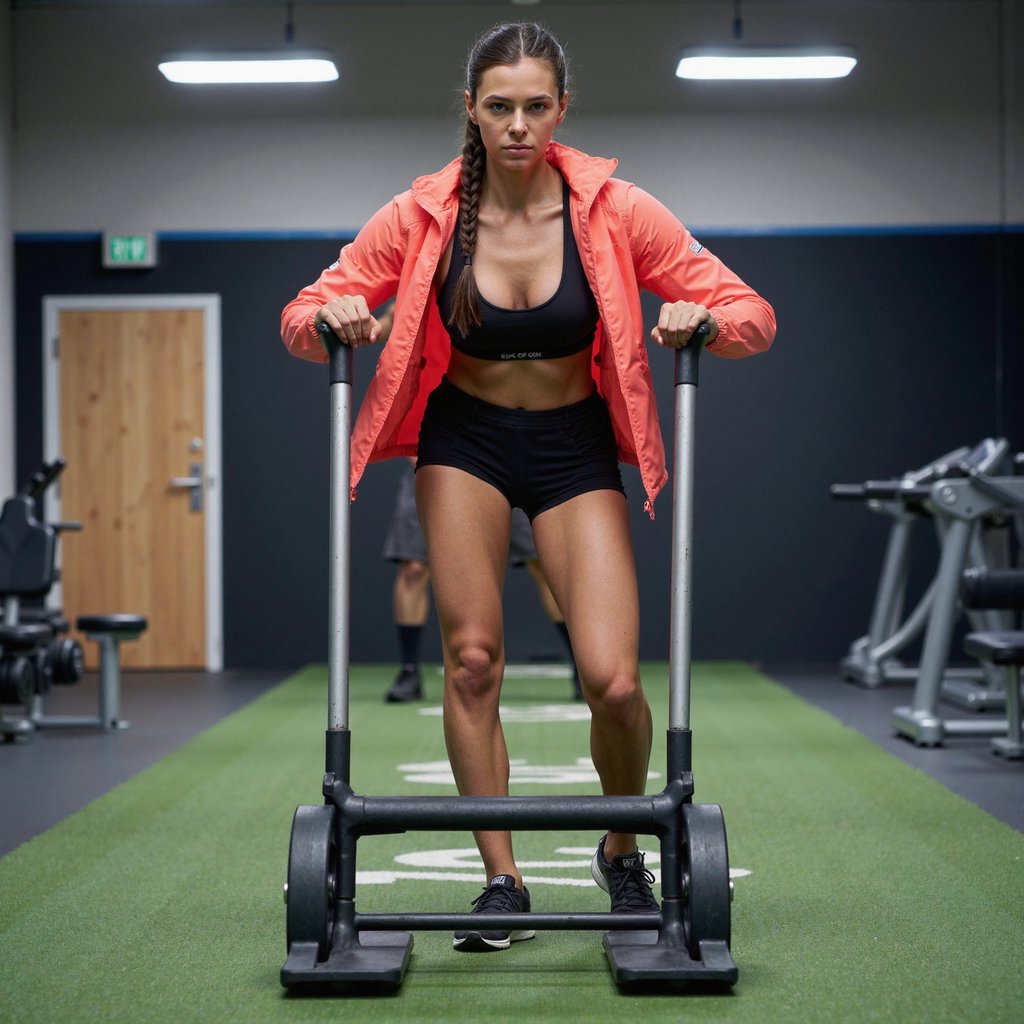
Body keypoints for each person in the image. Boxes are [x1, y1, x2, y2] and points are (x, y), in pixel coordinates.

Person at [281, 21, 775, 953]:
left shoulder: (616, 210)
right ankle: (502, 881)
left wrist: (701, 317)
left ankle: (623, 850)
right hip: (462, 439)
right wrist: (332, 315)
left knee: (616, 679)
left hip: (572, 444)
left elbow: (754, 314)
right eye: (499, 106)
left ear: (561, 109)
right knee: (471, 661)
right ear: (470, 109)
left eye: (535, 106)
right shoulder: (422, 213)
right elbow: (302, 315)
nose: (517, 125)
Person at [383, 459, 582, 703]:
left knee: (542, 563)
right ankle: (409, 671)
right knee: (413, 568)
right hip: (435, 461)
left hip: (503, 460)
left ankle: (582, 665)